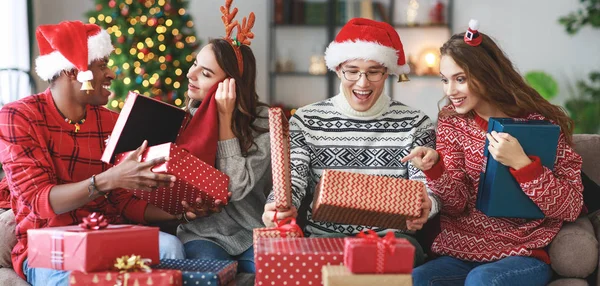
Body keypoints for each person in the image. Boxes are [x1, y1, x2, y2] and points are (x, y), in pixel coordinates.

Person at [0, 21, 198, 286]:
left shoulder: (112, 122)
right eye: (102, 64)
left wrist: (182, 213)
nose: (111, 73)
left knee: (170, 247)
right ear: (73, 70)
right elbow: (39, 201)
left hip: (108, 237)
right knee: (76, 281)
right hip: (50, 246)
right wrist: (109, 179)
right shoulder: (18, 117)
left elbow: (124, 202)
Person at [405, 20, 584, 286]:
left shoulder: (541, 125)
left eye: (460, 79)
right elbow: (455, 205)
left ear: (486, 74)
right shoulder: (452, 122)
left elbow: (571, 207)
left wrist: (523, 164)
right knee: (417, 278)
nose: (450, 90)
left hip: (523, 254)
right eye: (445, 80)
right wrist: (435, 169)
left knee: (482, 279)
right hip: (462, 252)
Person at [261, 18, 440, 267]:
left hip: (390, 240)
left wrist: (426, 206)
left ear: (387, 72)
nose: (362, 83)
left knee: (402, 254)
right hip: (327, 238)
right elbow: (294, 179)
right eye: (352, 71)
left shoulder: (415, 122)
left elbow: (425, 187)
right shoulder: (306, 120)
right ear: (337, 69)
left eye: (373, 72)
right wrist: (276, 206)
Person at [176, 0, 271, 274]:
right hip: (202, 234)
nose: (189, 74)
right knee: (210, 275)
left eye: (205, 73)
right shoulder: (184, 119)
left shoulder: (263, 122)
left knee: (274, 273)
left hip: (251, 233)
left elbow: (235, 189)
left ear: (230, 85)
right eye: (195, 64)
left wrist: (225, 121)